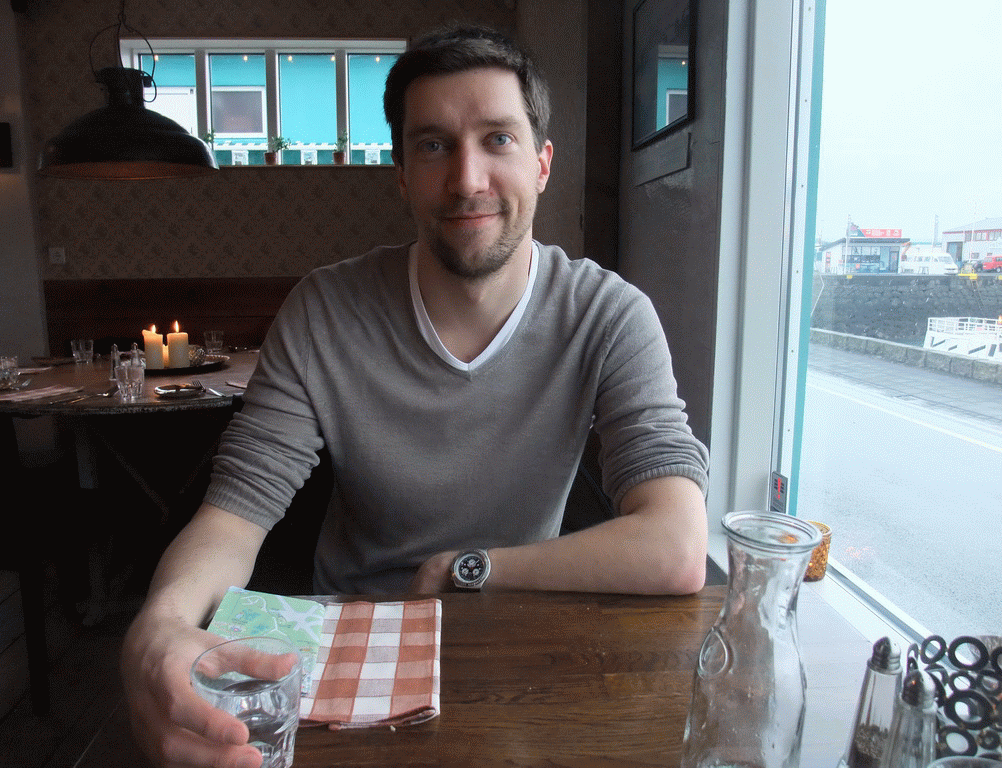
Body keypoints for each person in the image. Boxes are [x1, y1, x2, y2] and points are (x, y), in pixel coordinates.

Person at [121, 24, 709, 768]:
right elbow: (235, 513)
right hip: (349, 651)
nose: (467, 180)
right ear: (400, 173)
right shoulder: (325, 308)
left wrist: (470, 566)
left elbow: (679, 545)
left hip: (522, 639)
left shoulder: (610, 314)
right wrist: (160, 622)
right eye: (433, 145)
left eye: (498, 139)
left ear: (542, 163)